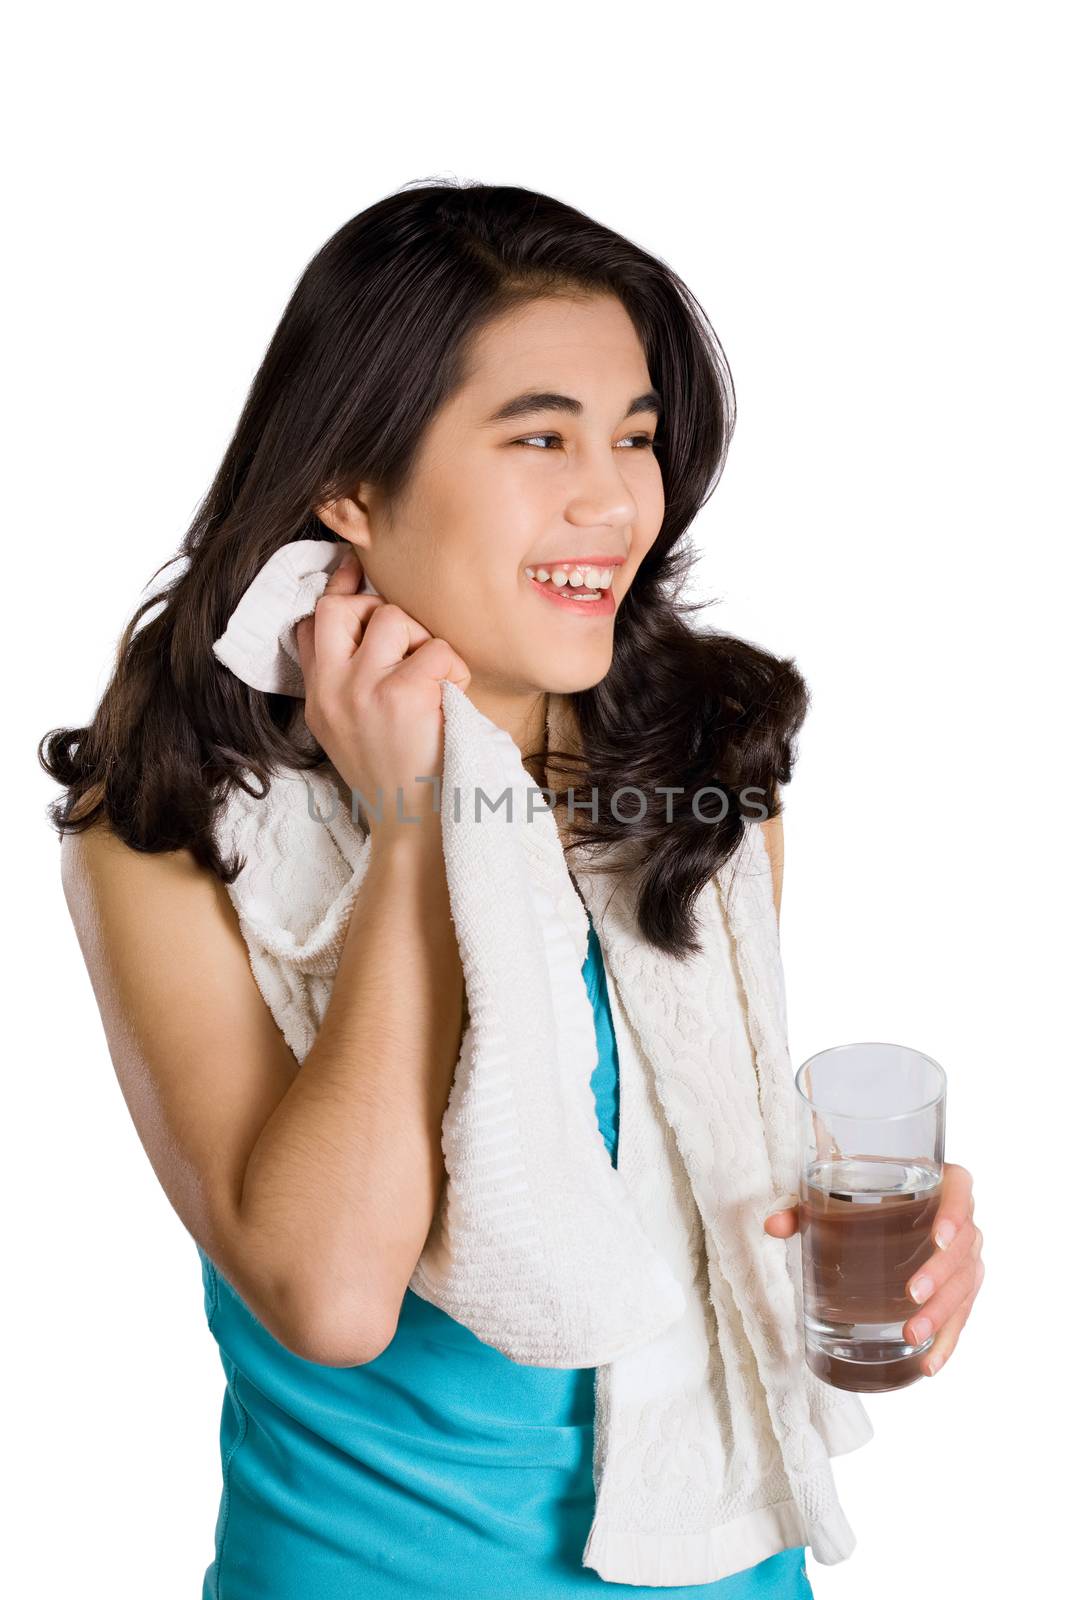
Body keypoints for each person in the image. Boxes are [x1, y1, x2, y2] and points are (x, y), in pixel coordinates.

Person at [41, 180, 984, 1598]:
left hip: (724, 1566)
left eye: (636, 436)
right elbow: (332, 1298)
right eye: (540, 435)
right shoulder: (172, 816)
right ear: (349, 483)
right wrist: (418, 825)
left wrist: (878, 1267)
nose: (612, 498)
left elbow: (703, 1190)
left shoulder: (702, 768)